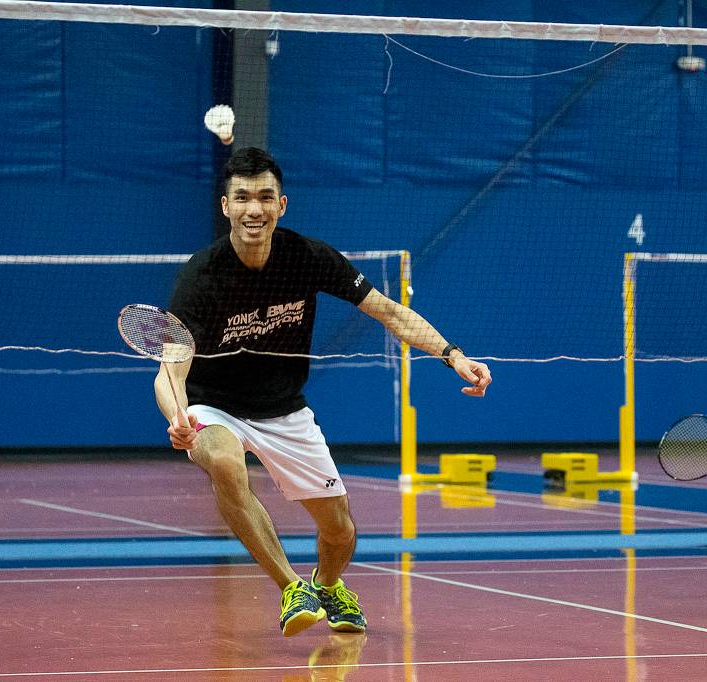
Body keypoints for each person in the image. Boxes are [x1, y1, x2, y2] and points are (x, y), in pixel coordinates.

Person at [155, 147, 492, 637]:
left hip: (285, 410)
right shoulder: (201, 276)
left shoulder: (308, 258)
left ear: (282, 205)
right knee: (225, 462)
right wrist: (179, 415)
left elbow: (390, 312)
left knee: (340, 530)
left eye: (265, 197)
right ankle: (293, 588)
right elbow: (171, 368)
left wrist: (454, 355)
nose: (255, 209)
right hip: (215, 405)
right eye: (243, 198)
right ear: (225, 207)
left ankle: (328, 586)